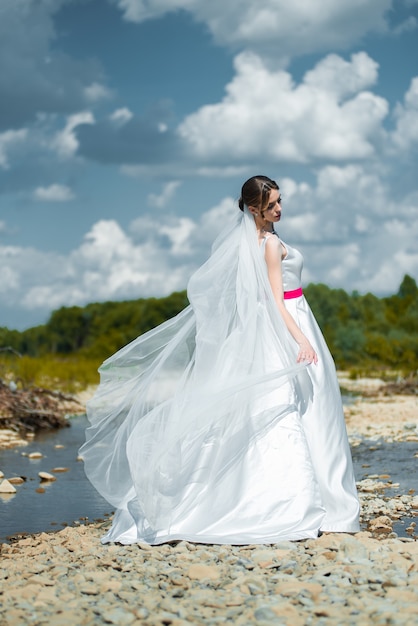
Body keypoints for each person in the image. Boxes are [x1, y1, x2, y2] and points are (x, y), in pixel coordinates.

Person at [80, 175, 360, 545]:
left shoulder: (255, 242)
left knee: (292, 408)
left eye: (279, 201)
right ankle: (307, 503)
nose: (279, 208)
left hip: (278, 323)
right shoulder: (272, 244)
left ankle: (307, 497)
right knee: (307, 408)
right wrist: (302, 340)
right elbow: (278, 301)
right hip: (292, 320)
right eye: (272, 204)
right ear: (254, 208)